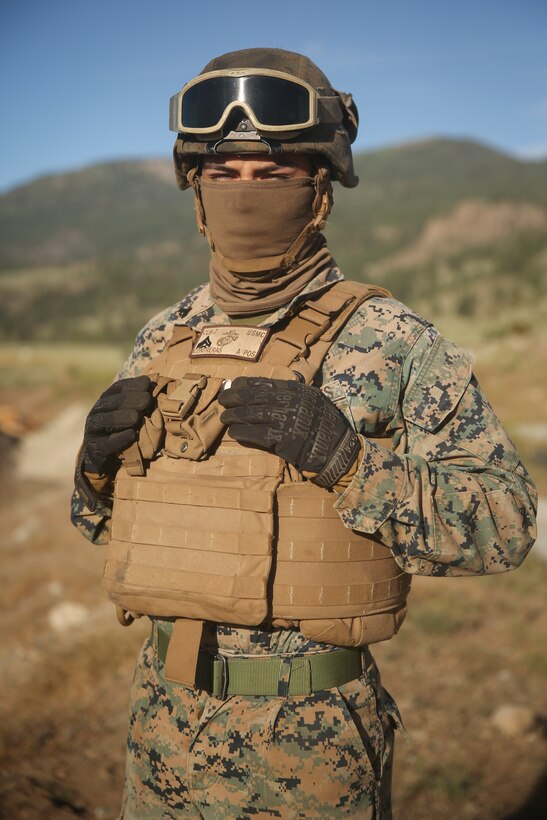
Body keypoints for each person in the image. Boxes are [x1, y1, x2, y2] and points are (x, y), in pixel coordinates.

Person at [71, 48, 537, 819]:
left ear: (319, 188)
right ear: (195, 187)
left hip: (311, 745)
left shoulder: (392, 341)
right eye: (224, 172)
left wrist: (353, 467)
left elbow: (506, 525)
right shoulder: (163, 336)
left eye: (273, 171)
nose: (244, 190)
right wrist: (93, 471)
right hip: (160, 727)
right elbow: (102, 528)